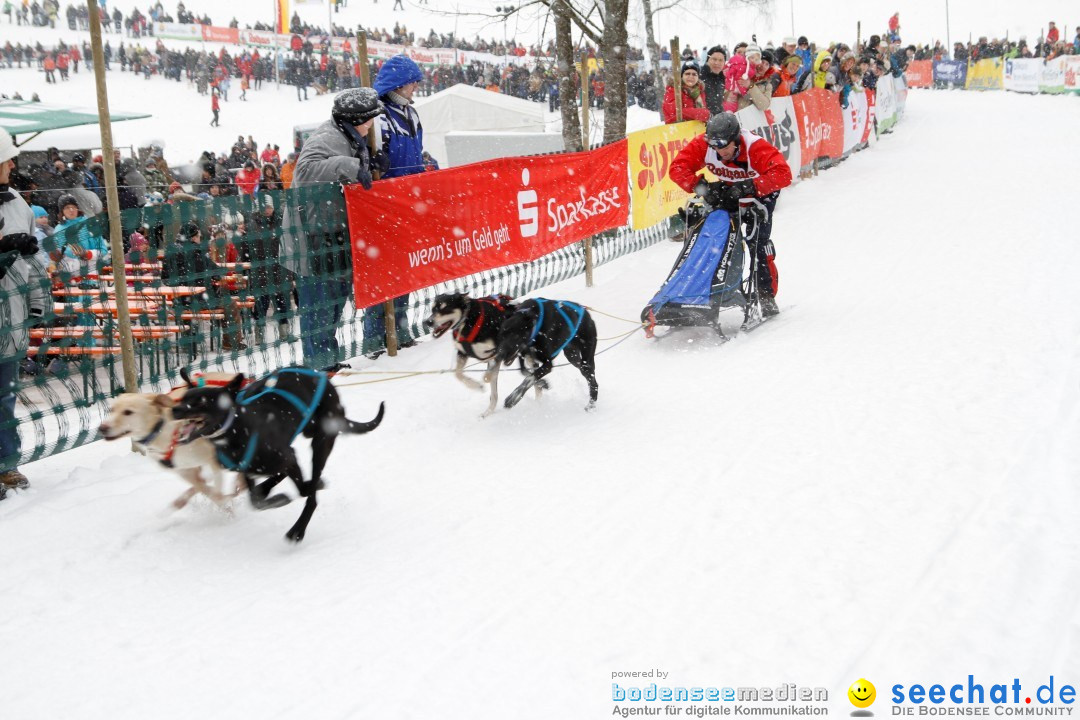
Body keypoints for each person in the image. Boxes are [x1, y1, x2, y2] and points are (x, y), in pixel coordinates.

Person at [279, 87, 385, 371]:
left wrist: (370, 163)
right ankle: (320, 364)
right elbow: (306, 171)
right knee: (320, 305)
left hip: (332, 232)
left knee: (334, 301)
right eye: (369, 119)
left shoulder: (351, 137)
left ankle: (328, 359)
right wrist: (352, 165)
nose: (371, 124)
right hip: (312, 236)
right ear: (355, 119)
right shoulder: (327, 137)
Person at [668, 113, 792, 318]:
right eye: (715, 147)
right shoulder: (704, 145)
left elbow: (783, 174)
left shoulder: (755, 146)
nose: (720, 151)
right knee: (714, 240)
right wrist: (702, 188)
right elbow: (677, 168)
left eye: (725, 147)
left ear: (736, 140)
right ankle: (708, 292)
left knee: (757, 243)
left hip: (760, 194)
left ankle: (766, 294)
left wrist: (750, 186)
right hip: (729, 192)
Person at [368, 54, 436, 355]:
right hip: (383, 204)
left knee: (404, 271)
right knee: (380, 274)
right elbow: (373, 160)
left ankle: (403, 331)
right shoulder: (379, 117)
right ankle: (374, 340)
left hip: (408, 202)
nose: (416, 87)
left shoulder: (412, 115)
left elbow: (416, 154)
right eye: (412, 82)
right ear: (398, 83)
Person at [0, 131, 48, 495]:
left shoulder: (18, 203)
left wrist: (37, 302)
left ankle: (6, 466)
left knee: (5, 395)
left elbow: (34, 259)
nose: (12, 165)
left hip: (10, 320)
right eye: (6, 158)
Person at [161, 222, 246, 351]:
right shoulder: (197, 252)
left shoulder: (170, 252)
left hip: (179, 301)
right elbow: (217, 272)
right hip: (202, 299)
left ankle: (187, 343)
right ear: (193, 237)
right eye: (199, 235)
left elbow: (165, 279)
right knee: (230, 305)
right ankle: (231, 342)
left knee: (186, 308)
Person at [700, 46, 727, 115]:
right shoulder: (699, 77)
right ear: (708, 60)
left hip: (716, 120)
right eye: (714, 59)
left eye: (721, 60)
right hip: (701, 121)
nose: (717, 63)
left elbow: (718, 104)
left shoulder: (722, 78)